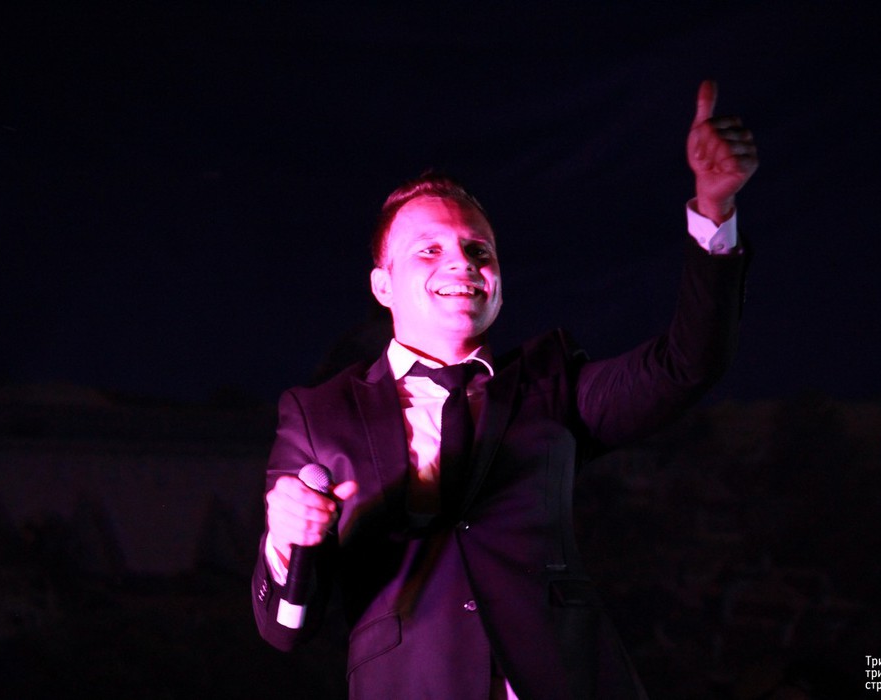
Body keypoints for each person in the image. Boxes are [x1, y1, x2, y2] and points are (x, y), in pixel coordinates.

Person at [252, 80, 758, 699]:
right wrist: (289, 543)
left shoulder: (551, 382)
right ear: (383, 286)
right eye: (429, 250)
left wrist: (714, 212)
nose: (461, 262)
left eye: (478, 249)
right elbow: (284, 629)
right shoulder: (319, 413)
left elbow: (688, 363)